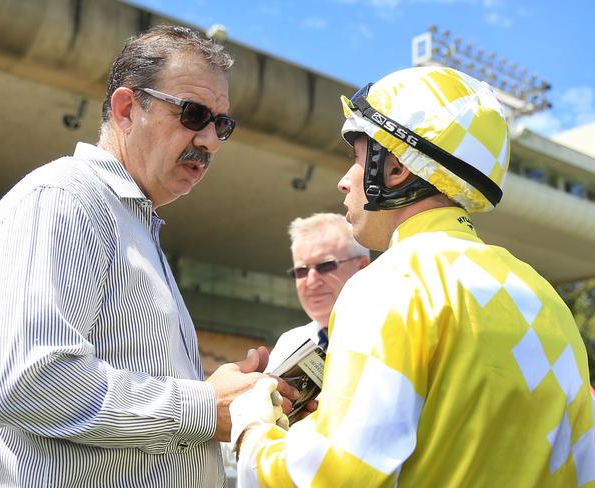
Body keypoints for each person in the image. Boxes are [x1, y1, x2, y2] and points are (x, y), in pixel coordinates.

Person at [0, 25, 296, 487]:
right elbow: (30, 381)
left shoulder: (132, 223)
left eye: (222, 124)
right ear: (127, 109)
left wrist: (223, 394)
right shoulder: (65, 199)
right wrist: (203, 408)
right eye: (193, 114)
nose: (211, 140)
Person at [229, 66, 595, 487]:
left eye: (356, 158)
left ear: (396, 168)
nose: (344, 182)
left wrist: (251, 427)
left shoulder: (388, 284)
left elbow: (334, 478)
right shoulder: (544, 296)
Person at [265, 213, 369, 372]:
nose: (312, 282)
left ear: (362, 267)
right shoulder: (291, 344)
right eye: (301, 270)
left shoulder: (391, 331)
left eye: (325, 266)